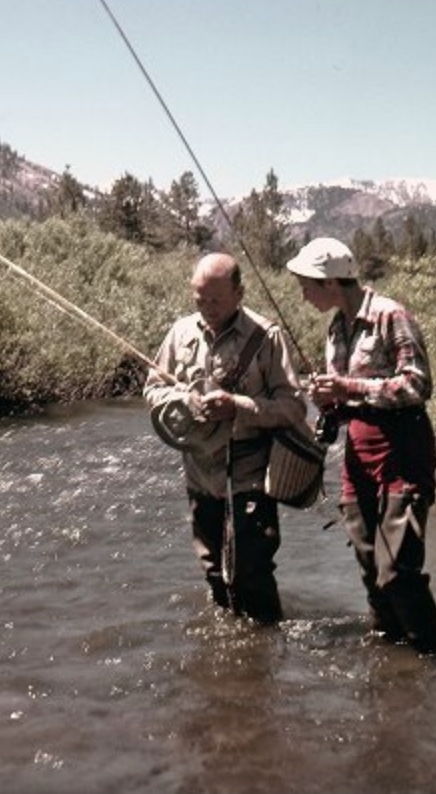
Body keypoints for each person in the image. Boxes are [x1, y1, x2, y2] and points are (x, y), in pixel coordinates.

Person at [286, 236, 436, 654]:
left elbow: (418, 383)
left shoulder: (390, 315)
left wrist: (347, 386)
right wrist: (329, 402)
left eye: (306, 284)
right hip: (358, 458)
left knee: (397, 571)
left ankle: (432, 662)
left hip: (403, 456)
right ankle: (391, 662)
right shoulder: (336, 327)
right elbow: (348, 400)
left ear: (330, 282)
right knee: (370, 570)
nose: (303, 294)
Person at [143, 251, 305, 622]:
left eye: (215, 300)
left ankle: (263, 651)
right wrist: (182, 401)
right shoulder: (180, 332)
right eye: (200, 299)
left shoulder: (267, 337)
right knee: (213, 570)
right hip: (200, 473)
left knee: (253, 572)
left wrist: (238, 406)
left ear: (239, 293)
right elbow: (152, 389)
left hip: (252, 474)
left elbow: (293, 407)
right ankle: (232, 653)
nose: (207, 308)